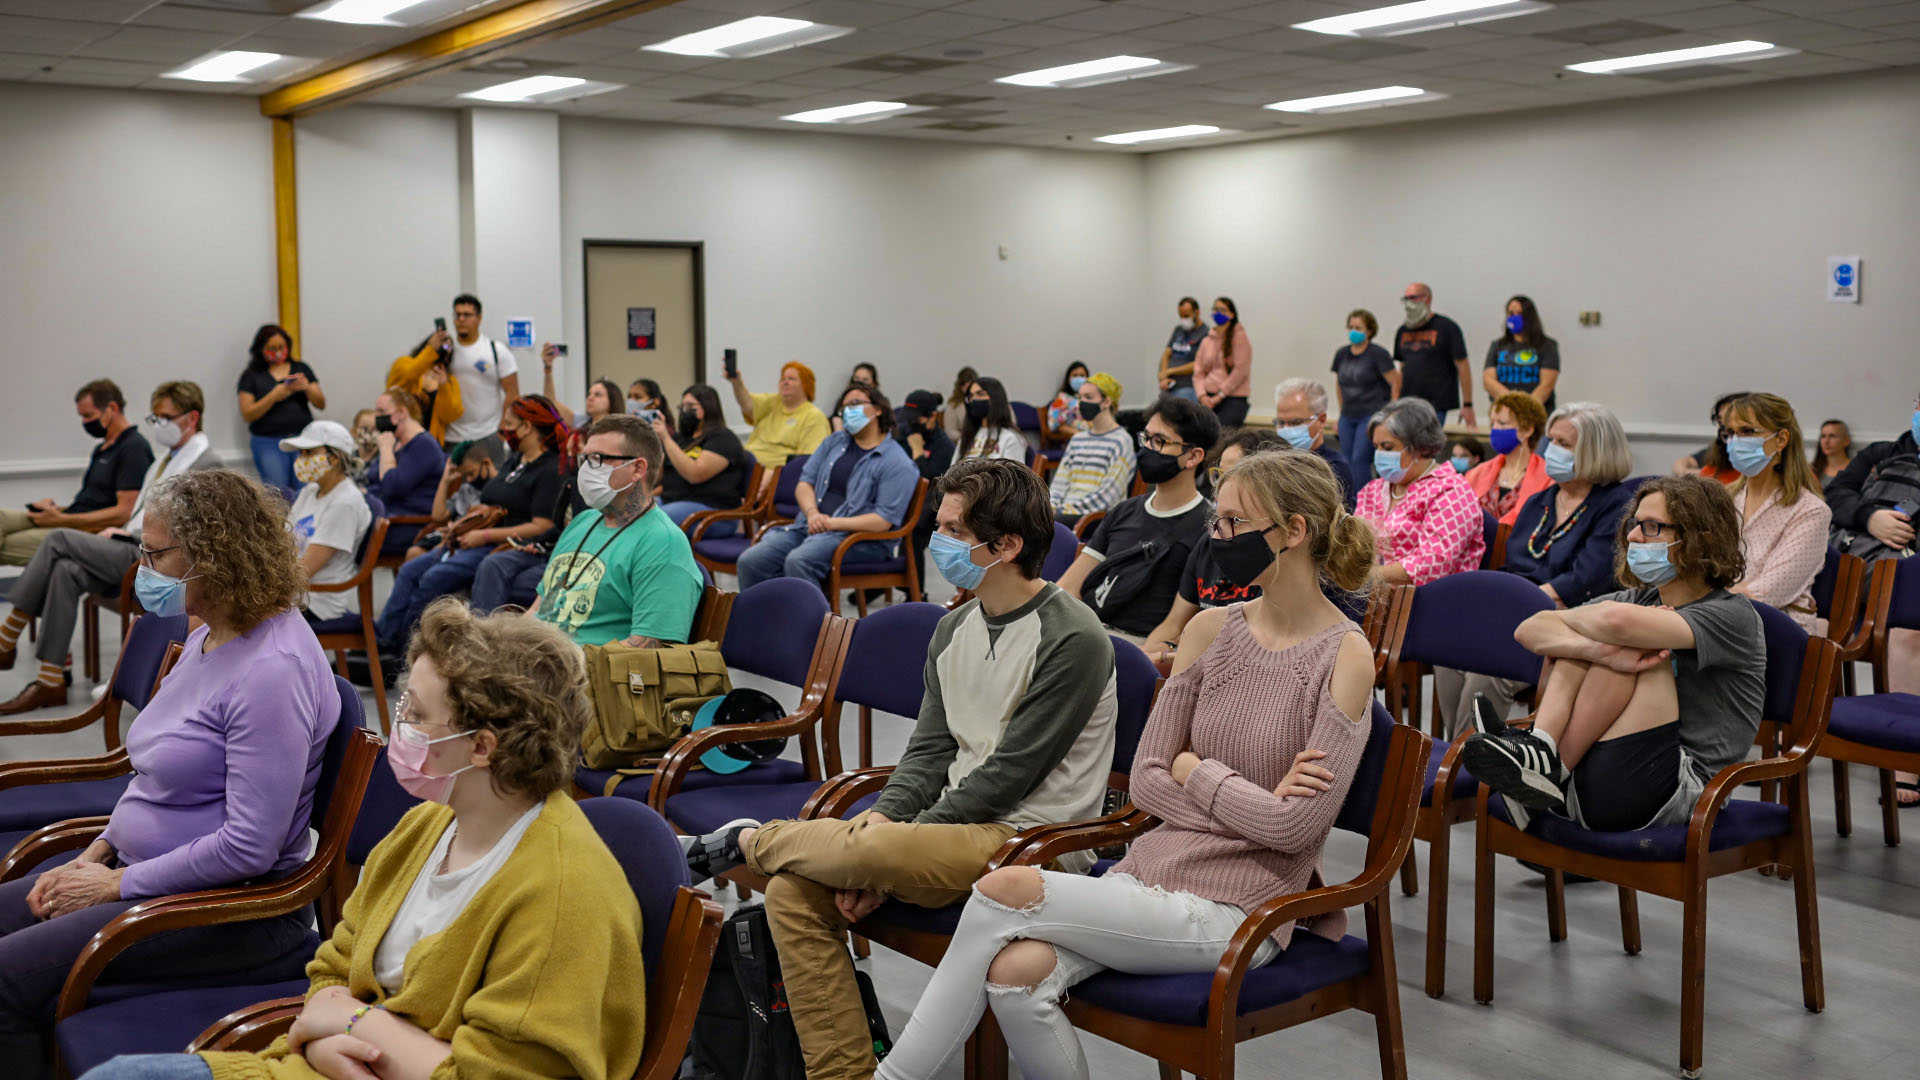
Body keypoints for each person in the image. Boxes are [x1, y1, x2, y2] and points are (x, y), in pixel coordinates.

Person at [874, 449, 1377, 1080]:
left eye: (1233, 523)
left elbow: (1293, 830)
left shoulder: (1344, 655)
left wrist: (1198, 772)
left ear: (1294, 531)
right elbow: (1147, 779)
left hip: (1242, 908)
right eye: (1216, 522)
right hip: (1146, 876)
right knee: (1015, 974)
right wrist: (1246, 799)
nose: (1217, 538)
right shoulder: (1210, 630)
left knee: (1004, 887)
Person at [680, 457, 1118, 1080]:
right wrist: (886, 825)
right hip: (955, 833)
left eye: (956, 531)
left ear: (1007, 546)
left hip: (1032, 845)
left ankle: (747, 841)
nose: (939, 541)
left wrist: (887, 851)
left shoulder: (1073, 636)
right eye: (940, 526)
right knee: (793, 893)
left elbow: (1009, 776)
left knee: (864, 849)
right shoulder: (954, 627)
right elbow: (929, 752)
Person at [83, 602, 649, 1080]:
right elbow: (335, 964)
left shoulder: (562, 895)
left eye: (416, 714)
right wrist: (329, 1037)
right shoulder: (428, 825)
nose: (398, 726)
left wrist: (355, 1023)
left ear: (482, 747)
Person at [0, 470, 335, 1077]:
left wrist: (113, 886)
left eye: (155, 555)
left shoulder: (272, 669)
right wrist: (98, 852)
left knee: (4, 980)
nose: (142, 569)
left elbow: (250, 847)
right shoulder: (211, 630)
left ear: (212, 555)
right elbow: (156, 779)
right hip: (145, 874)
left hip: (230, 910)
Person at [1462, 476, 1765, 834]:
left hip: (1675, 790)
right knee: (1598, 643)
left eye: (1651, 527)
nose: (1633, 536)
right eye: (1634, 524)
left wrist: (1590, 633)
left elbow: (1615, 622)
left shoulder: (1733, 615)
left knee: (1632, 641)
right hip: (1598, 773)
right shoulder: (1642, 599)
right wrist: (1592, 648)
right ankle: (1542, 750)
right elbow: (1530, 628)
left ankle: (1546, 764)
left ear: (1703, 539)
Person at [0, 382, 218, 711]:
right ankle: (50, 679)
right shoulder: (166, 458)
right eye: (155, 418)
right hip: (131, 543)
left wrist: (126, 533)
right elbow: (142, 511)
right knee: (66, 570)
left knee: (57, 538)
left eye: (165, 417)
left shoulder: (206, 462)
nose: (158, 425)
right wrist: (119, 531)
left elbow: (189, 532)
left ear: (192, 418)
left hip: (152, 557)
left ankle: (6, 637)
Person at [1433, 402, 1635, 734]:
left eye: (1564, 443)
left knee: (1488, 670)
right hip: (1517, 613)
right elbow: (1514, 566)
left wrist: (1516, 606)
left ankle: (1467, 758)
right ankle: (1455, 750)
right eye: (1551, 441)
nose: (1551, 450)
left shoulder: (1617, 507)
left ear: (1596, 451)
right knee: (1449, 652)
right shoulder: (1540, 500)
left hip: (1571, 623)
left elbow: (1583, 580)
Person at [375, 397, 567, 657]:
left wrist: (484, 534)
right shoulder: (515, 461)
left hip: (507, 544)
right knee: (410, 570)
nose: (503, 429)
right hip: (478, 537)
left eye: (509, 424)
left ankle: (410, 651)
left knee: (433, 578)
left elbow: (541, 526)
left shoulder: (550, 468)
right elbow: (491, 499)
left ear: (527, 427)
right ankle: (383, 642)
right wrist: (468, 524)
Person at [1058, 394, 1218, 645]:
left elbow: (1177, 626)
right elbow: (1068, 587)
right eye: (1146, 438)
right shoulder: (1123, 511)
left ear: (1193, 456)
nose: (1147, 449)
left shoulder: (1208, 527)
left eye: (1159, 441)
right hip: (1090, 634)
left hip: (1141, 645)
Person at [533, 416, 703, 648]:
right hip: (539, 657)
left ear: (637, 469)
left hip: (585, 667)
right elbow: (537, 611)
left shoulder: (662, 542)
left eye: (598, 459)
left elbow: (648, 647)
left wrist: (562, 662)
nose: (586, 469)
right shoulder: (582, 523)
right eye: (585, 458)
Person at [1827, 391, 1920, 804]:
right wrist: (1872, 517)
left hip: (1907, 579)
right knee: (1811, 620)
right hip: (1860, 571)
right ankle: (1794, 737)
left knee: (1907, 632)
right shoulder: (1881, 453)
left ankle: (1906, 762)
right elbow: (1837, 494)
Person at [736, 385, 919, 591]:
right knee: (751, 561)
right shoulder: (834, 442)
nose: (848, 411)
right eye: (844, 408)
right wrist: (813, 514)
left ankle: (811, 613)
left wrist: (831, 523)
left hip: (861, 540)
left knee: (799, 560)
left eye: (855, 404)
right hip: (811, 526)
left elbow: (882, 521)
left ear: (878, 409)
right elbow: (804, 483)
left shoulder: (896, 462)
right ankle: (764, 611)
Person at [1143, 429, 1289, 669]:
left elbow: (1257, 652)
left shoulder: (1279, 555)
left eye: (1232, 475)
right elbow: (1173, 626)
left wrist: (1176, 656)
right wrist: (1144, 660)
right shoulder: (1209, 541)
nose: (1221, 487)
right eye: (1219, 475)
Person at [1711, 392, 1830, 633]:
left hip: (1777, 629)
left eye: (1747, 431)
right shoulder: (1723, 499)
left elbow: (1767, 593)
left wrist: (1704, 597)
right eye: (1730, 433)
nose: (1735, 442)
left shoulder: (1811, 511)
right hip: (1716, 619)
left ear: (1781, 439)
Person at [3, 380, 153, 568]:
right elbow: (92, 502)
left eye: (88, 415)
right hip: (70, 518)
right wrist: (56, 510)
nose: (85, 422)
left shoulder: (133, 448)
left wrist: (63, 520)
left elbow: (124, 513)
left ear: (112, 408)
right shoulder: (102, 449)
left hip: (85, 531)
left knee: (8, 545)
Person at [1356, 397, 1486, 586]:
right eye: (1376, 447)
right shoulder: (1374, 489)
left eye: (1388, 447)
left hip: (1434, 596)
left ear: (1419, 447)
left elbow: (1432, 563)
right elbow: (1355, 544)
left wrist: (1366, 577)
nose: (1379, 454)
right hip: (1374, 594)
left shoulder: (1451, 492)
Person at [280, 421, 374, 628]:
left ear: (335, 457)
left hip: (316, 602)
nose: (301, 460)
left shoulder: (345, 503)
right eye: (301, 453)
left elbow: (304, 570)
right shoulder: (309, 492)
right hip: (295, 593)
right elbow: (282, 545)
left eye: (309, 452)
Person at [236, 324, 324, 491]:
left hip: (302, 439)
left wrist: (307, 387)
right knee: (278, 493)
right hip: (268, 443)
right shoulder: (251, 376)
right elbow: (247, 414)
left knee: (307, 489)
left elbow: (321, 403)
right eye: (272, 348)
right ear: (261, 349)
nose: (277, 352)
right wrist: (273, 396)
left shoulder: (301, 368)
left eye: (281, 347)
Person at [657, 384, 755, 531]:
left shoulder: (723, 438)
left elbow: (694, 475)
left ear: (708, 407)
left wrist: (666, 438)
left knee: (653, 520)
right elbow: (658, 478)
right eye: (682, 406)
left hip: (713, 512)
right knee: (632, 513)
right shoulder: (681, 439)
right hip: (673, 500)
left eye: (690, 406)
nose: (684, 411)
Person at [364, 388, 446, 555]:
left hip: (406, 524)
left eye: (382, 412)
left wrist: (385, 449)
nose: (376, 418)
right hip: (384, 517)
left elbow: (392, 486)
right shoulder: (396, 442)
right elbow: (372, 477)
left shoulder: (424, 445)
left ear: (402, 412)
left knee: (344, 531)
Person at [1048, 373, 1136, 524]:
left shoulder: (1121, 441)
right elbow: (1059, 484)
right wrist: (1050, 507)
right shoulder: (1077, 439)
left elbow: (1108, 496)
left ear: (1107, 402)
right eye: (1080, 397)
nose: (1081, 403)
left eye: (1088, 397)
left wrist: (1063, 511)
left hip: (1096, 518)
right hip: (1064, 514)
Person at [439, 294, 522, 446]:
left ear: (479, 318)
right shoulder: (445, 351)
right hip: (451, 436)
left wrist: (503, 426)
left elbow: (512, 394)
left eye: (467, 315)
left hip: (487, 433)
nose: (461, 319)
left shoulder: (496, 351)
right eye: (457, 315)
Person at [898, 390, 958, 594]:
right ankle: (889, 579)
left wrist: (917, 451)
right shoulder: (903, 434)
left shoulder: (944, 445)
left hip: (931, 505)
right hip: (902, 498)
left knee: (914, 530)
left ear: (933, 417)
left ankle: (916, 592)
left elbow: (932, 482)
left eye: (918, 420)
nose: (912, 424)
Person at [1332, 307, 1401, 486]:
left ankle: (1363, 498)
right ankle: (1349, 497)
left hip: (1371, 414)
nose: (1353, 331)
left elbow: (1395, 381)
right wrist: (1340, 413)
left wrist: (1392, 413)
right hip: (1348, 414)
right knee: (1347, 459)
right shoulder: (1342, 354)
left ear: (1369, 331)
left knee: (1360, 459)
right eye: (1351, 327)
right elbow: (1339, 384)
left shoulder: (1377, 354)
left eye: (1358, 328)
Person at [1393, 282, 1474, 428]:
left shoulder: (1447, 327)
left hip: (1436, 404)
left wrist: (1467, 404)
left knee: (1428, 441)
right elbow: (1401, 369)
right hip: (1407, 404)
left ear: (1427, 299)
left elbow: (1462, 365)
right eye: (1406, 299)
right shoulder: (1402, 331)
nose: (1409, 303)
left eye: (1413, 298)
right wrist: (1394, 403)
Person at [1466, 392, 1553, 526]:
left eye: (1502, 423)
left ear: (1527, 430)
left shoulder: (1547, 478)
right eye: (1492, 423)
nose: (1495, 429)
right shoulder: (1477, 473)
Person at [1272, 377, 1356, 510]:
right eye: (1281, 422)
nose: (1286, 429)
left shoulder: (1335, 469)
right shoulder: (1271, 462)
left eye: (1295, 422)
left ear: (1321, 420)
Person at [730, 361, 829, 469]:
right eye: (782, 379)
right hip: (744, 463)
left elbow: (808, 461)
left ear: (806, 385)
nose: (785, 382)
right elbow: (747, 404)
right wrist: (736, 382)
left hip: (773, 473)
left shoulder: (814, 416)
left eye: (791, 379)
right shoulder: (774, 402)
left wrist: (773, 475)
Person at [1481, 294, 1560, 412]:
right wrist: (1513, 404)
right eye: (1511, 313)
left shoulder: (1547, 346)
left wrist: (1526, 409)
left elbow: (1547, 385)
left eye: (1519, 313)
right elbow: (1488, 380)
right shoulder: (1497, 345)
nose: (1514, 317)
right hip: (1504, 412)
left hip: (1536, 412)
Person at [386, 330, 463, 445]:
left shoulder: (449, 381)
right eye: (440, 344)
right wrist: (430, 351)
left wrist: (444, 386)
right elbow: (407, 376)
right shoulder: (404, 363)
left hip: (429, 443)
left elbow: (450, 416)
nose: (443, 350)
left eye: (448, 347)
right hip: (398, 439)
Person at [1193, 296, 1252, 428]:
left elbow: (1241, 371)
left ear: (1232, 314)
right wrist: (1202, 396)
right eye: (1216, 309)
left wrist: (1219, 395)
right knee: (1196, 430)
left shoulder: (1239, 337)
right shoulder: (1207, 340)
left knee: (1220, 432)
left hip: (1232, 397)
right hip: (1207, 397)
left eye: (1223, 310)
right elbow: (1198, 372)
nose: (1218, 313)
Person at [1670, 392, 1747, 483]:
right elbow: (1683, 463)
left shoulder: (1752, 454)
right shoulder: (1721, 449)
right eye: (1720, 420)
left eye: (1728, 418)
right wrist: (1701, 474)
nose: (1724, 427)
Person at [959, 376, 1026, 462]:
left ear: (995, 398)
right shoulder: (967, 435)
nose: (974, 399)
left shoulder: (1010, 438)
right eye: (971, 396)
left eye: (980, 394)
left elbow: (1013, 470)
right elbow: (953, 467)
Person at [1158, 296, 1209, 401]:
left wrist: (1170, 371)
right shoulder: (1178, 330)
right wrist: (1163, 376)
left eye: (1186, 316)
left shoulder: (1206, 333)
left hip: (1188, 386)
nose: (1183, 319)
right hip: (1169, 385)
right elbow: (1167, 354)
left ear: (1197, 313)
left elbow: (1199, 364)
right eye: (1181, 316)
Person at [1045, 362, 1090, 443]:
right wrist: (1079, 434)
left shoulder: (1093, 399)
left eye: (1082, 375)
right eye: (1075, 375)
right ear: (1068, 379)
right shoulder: (1061, 399)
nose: (1079, 379)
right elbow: (1057, 425)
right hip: (1073, 439)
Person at [1812, 419, 1853, 490]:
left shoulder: (1856, 469)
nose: (1826, 441)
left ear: (1846, 441)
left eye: (1832, 436)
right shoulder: (1812, 469)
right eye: (1823, 436)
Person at [942, 366, 979, 443]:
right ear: (960, 387)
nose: (970, 391)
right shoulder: (954, 405)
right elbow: (950, 432)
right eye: (967, 387)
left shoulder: (984, 400)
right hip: (964, 442)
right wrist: (966, 437)